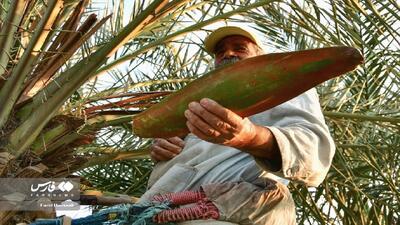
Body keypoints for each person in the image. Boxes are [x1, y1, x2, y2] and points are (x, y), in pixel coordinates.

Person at [141, 26, 336, 225]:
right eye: (220, 52)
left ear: (260, 56)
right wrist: (161, 149)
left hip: (221, 214)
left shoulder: (280, 86)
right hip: (152, 213)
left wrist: (249, 137)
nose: (228, 54)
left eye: (240, 48)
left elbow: (313, 152)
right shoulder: (199, 102)